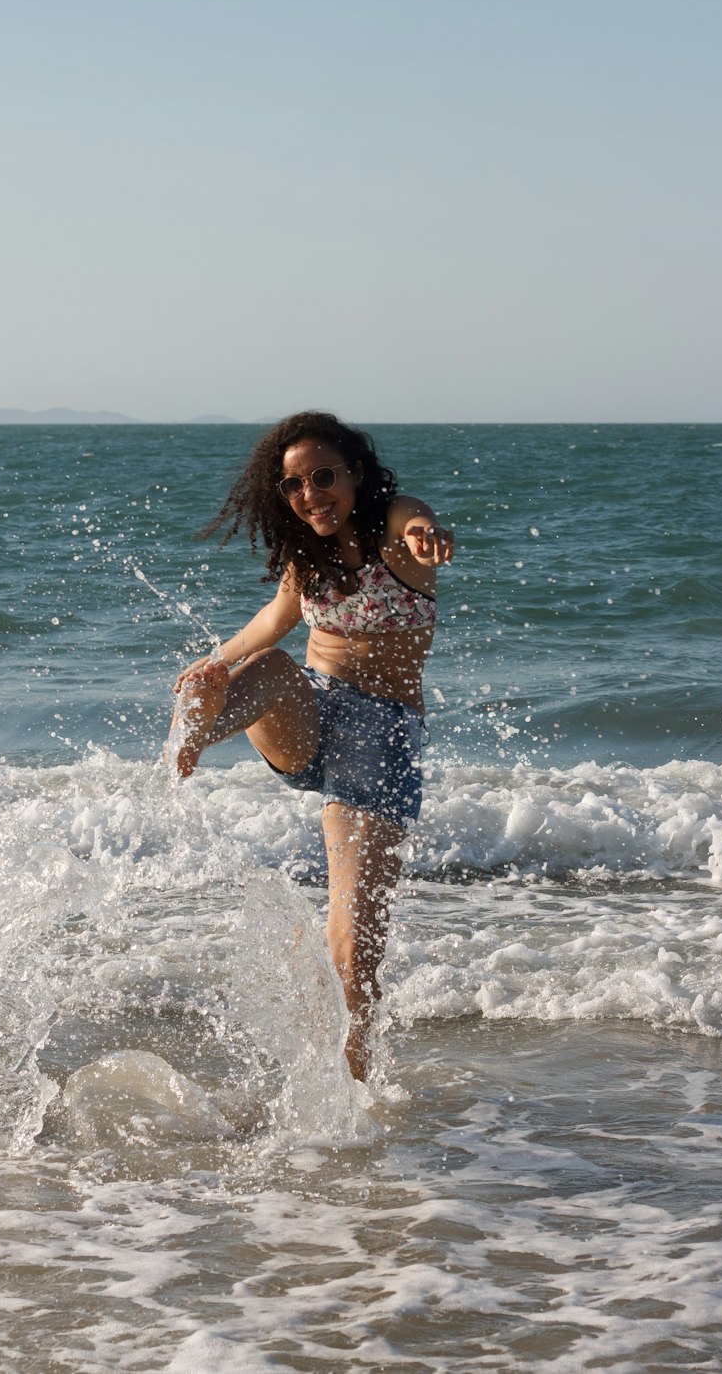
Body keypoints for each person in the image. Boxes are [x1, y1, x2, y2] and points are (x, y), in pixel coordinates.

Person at [165, 411, 453, 1080]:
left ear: (355, 473)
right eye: (294, 484)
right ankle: (198, 727)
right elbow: (274, 620)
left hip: (379, 739)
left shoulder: (395, 531)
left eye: (324, 477)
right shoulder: (307, 554)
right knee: (266, 666)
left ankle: (352, 1083)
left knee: (354, 948)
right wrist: (211, 660)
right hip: (309, 715)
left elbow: (416, 517)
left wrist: (426, 532)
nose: (311, 494)